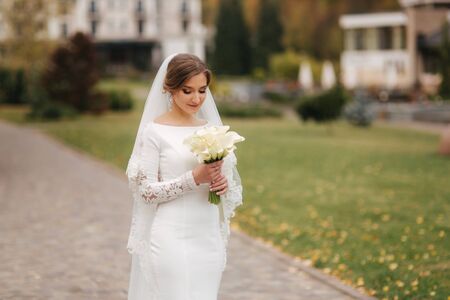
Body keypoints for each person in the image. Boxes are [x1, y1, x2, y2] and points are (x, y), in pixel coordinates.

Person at [125, 53, 243, 299]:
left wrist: (221, 185)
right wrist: (194, 178)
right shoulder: (154, 132)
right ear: (170, 89)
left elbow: (227, 187)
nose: (197, 98)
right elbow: (147, 192)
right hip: (170, 236)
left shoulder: (211, 131)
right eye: (187, 91)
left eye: (202, 90)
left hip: (208, 235)